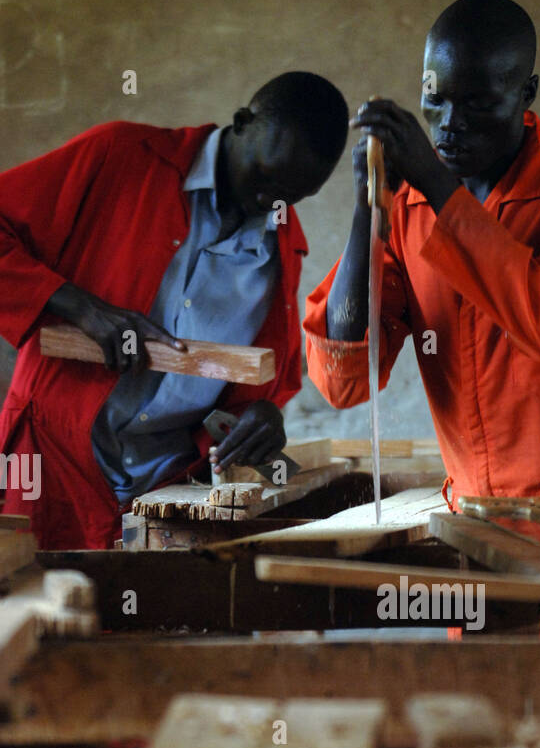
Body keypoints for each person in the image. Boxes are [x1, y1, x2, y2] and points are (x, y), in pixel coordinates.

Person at [304, 0, 540, 564]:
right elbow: (346, 378)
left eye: (478, 104)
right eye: (435, 100)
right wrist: (368, 210)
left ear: (526, 95)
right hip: (475, 530)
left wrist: (435, 185)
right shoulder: (408, 210)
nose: (450, 126)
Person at [0, 72, 348, 549]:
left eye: (293, 196)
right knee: (34, 607)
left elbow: (257, 381)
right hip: (53, 459)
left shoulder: (282, 247)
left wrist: (263, 416)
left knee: (148, 618)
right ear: (242, 122)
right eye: (266, 176)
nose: (271, 202)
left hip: (170, 489)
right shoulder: (122, 156)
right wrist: (82, 307)